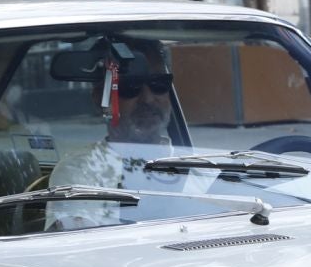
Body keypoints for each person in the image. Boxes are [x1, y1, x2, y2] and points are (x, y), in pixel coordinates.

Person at [45, 37, 202, 232]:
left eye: (158, 84)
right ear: (100, 98)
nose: (148, 98)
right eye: (131, 87)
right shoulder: (81, 171)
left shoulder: (201, 167)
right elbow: (76, 249)